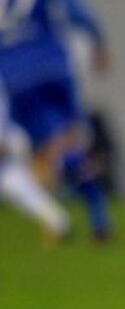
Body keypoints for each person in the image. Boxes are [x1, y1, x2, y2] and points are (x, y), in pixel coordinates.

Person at [0, 0, 111, 242]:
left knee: (50, 146)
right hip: (55, 63)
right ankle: (99, 217)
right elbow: (75, 6)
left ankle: (62, 214)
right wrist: (97, 41)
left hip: (15, 72)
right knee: (70, 137)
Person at [0, 80, 71, 242]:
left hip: (8, 144)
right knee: (20, 187)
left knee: (19, 187)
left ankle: (58, 222)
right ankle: (58, 222)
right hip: (12, 142)